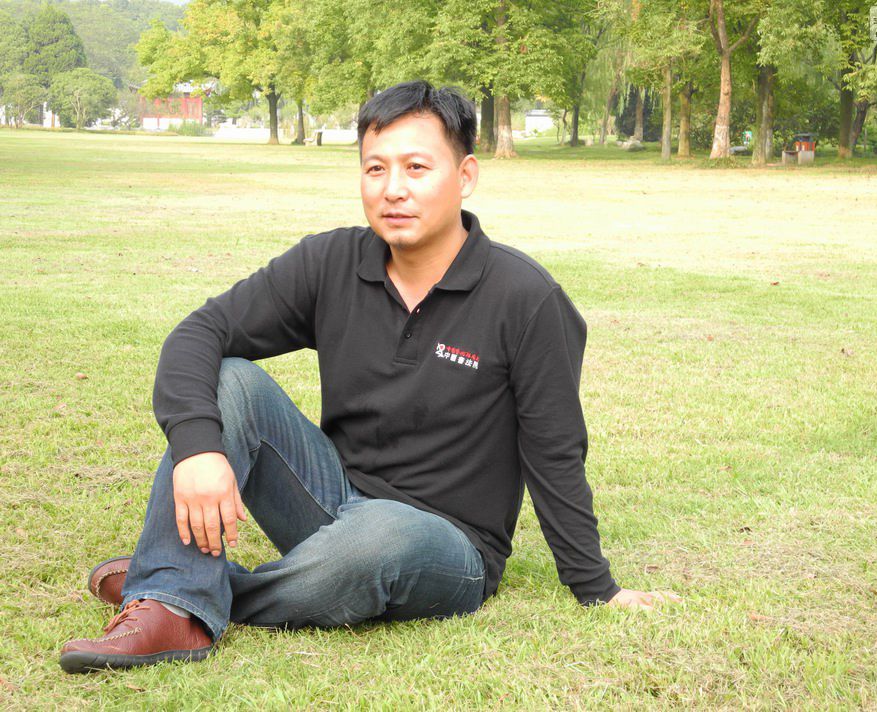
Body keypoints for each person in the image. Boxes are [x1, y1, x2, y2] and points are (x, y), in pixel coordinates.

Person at [60, 81, 678, 674]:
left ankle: (185, 589)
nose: (393, 190)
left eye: (417, 168)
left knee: (378, 538)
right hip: (330, 499)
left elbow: (555, 450)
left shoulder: (526, 298)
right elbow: (200, 332)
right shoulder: (332, 262)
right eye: (375, 169)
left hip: (447, 544)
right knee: (231, 381)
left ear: (464, 176)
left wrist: (596, 586)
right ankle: (171, 603)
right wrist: (198, 447)